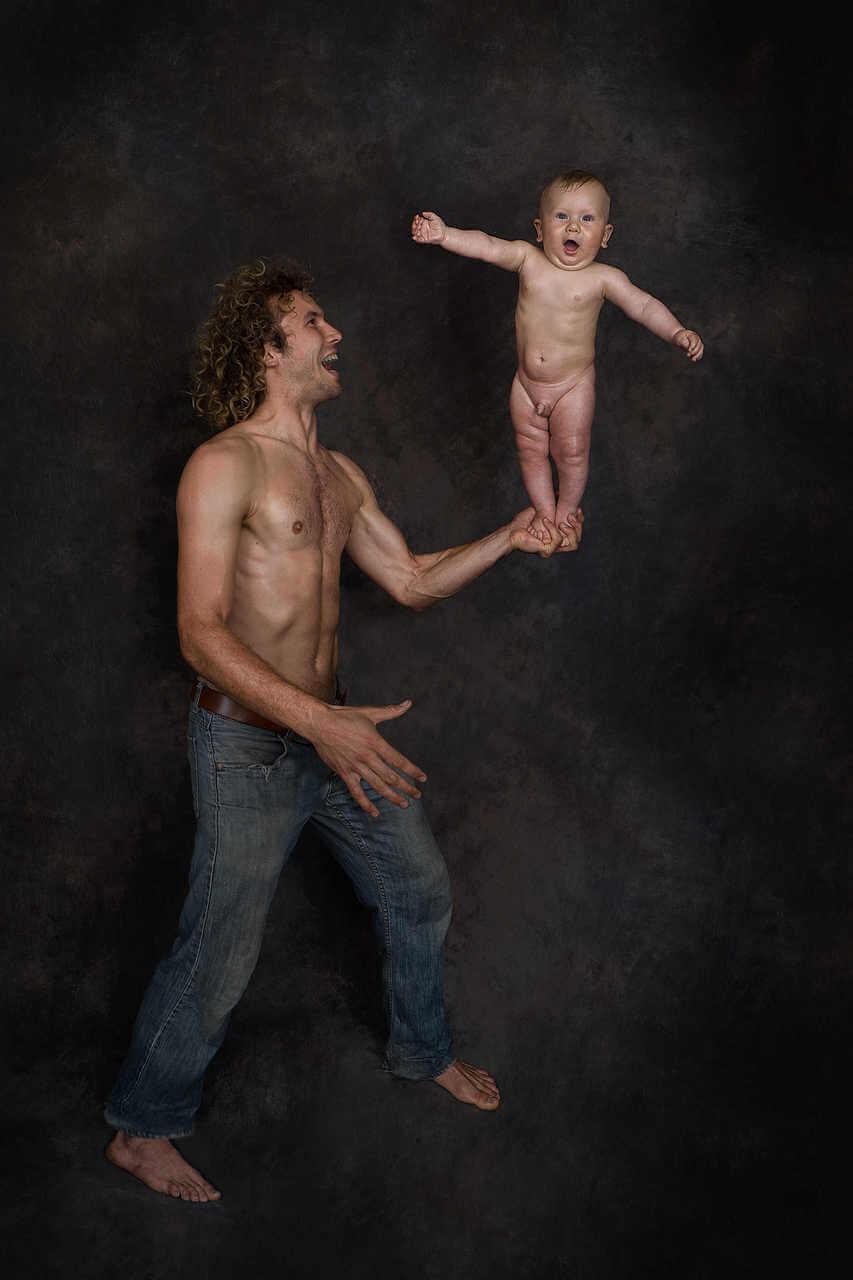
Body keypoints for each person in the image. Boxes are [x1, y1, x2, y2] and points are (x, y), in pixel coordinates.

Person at [104, 258, 583, 1202]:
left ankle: (422, 1052)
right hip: (249, 745)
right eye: (314, 322)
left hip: (336, 736)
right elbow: (199, 634)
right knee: (220, 951)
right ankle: (141, 1128)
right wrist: (320, 723)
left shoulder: (338, 474)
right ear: (267, 349)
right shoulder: (225, 464)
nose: (335, 335)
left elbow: (409, 580)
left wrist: (509, 535)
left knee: (418, 889)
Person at [411, 169, 704, 547]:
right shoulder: (526, 259)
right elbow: (488, 245)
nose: (574, 227)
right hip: (526, 384)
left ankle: (566, 511)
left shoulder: (604, 278)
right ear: (540, 228)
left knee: (572, 451)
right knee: (530, 448)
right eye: (562, 216)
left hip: (572, 386)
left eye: (587, 219)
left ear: (606, 235)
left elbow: (644, 306)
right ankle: (544, 512)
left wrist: (677, 332)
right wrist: (445, 234)